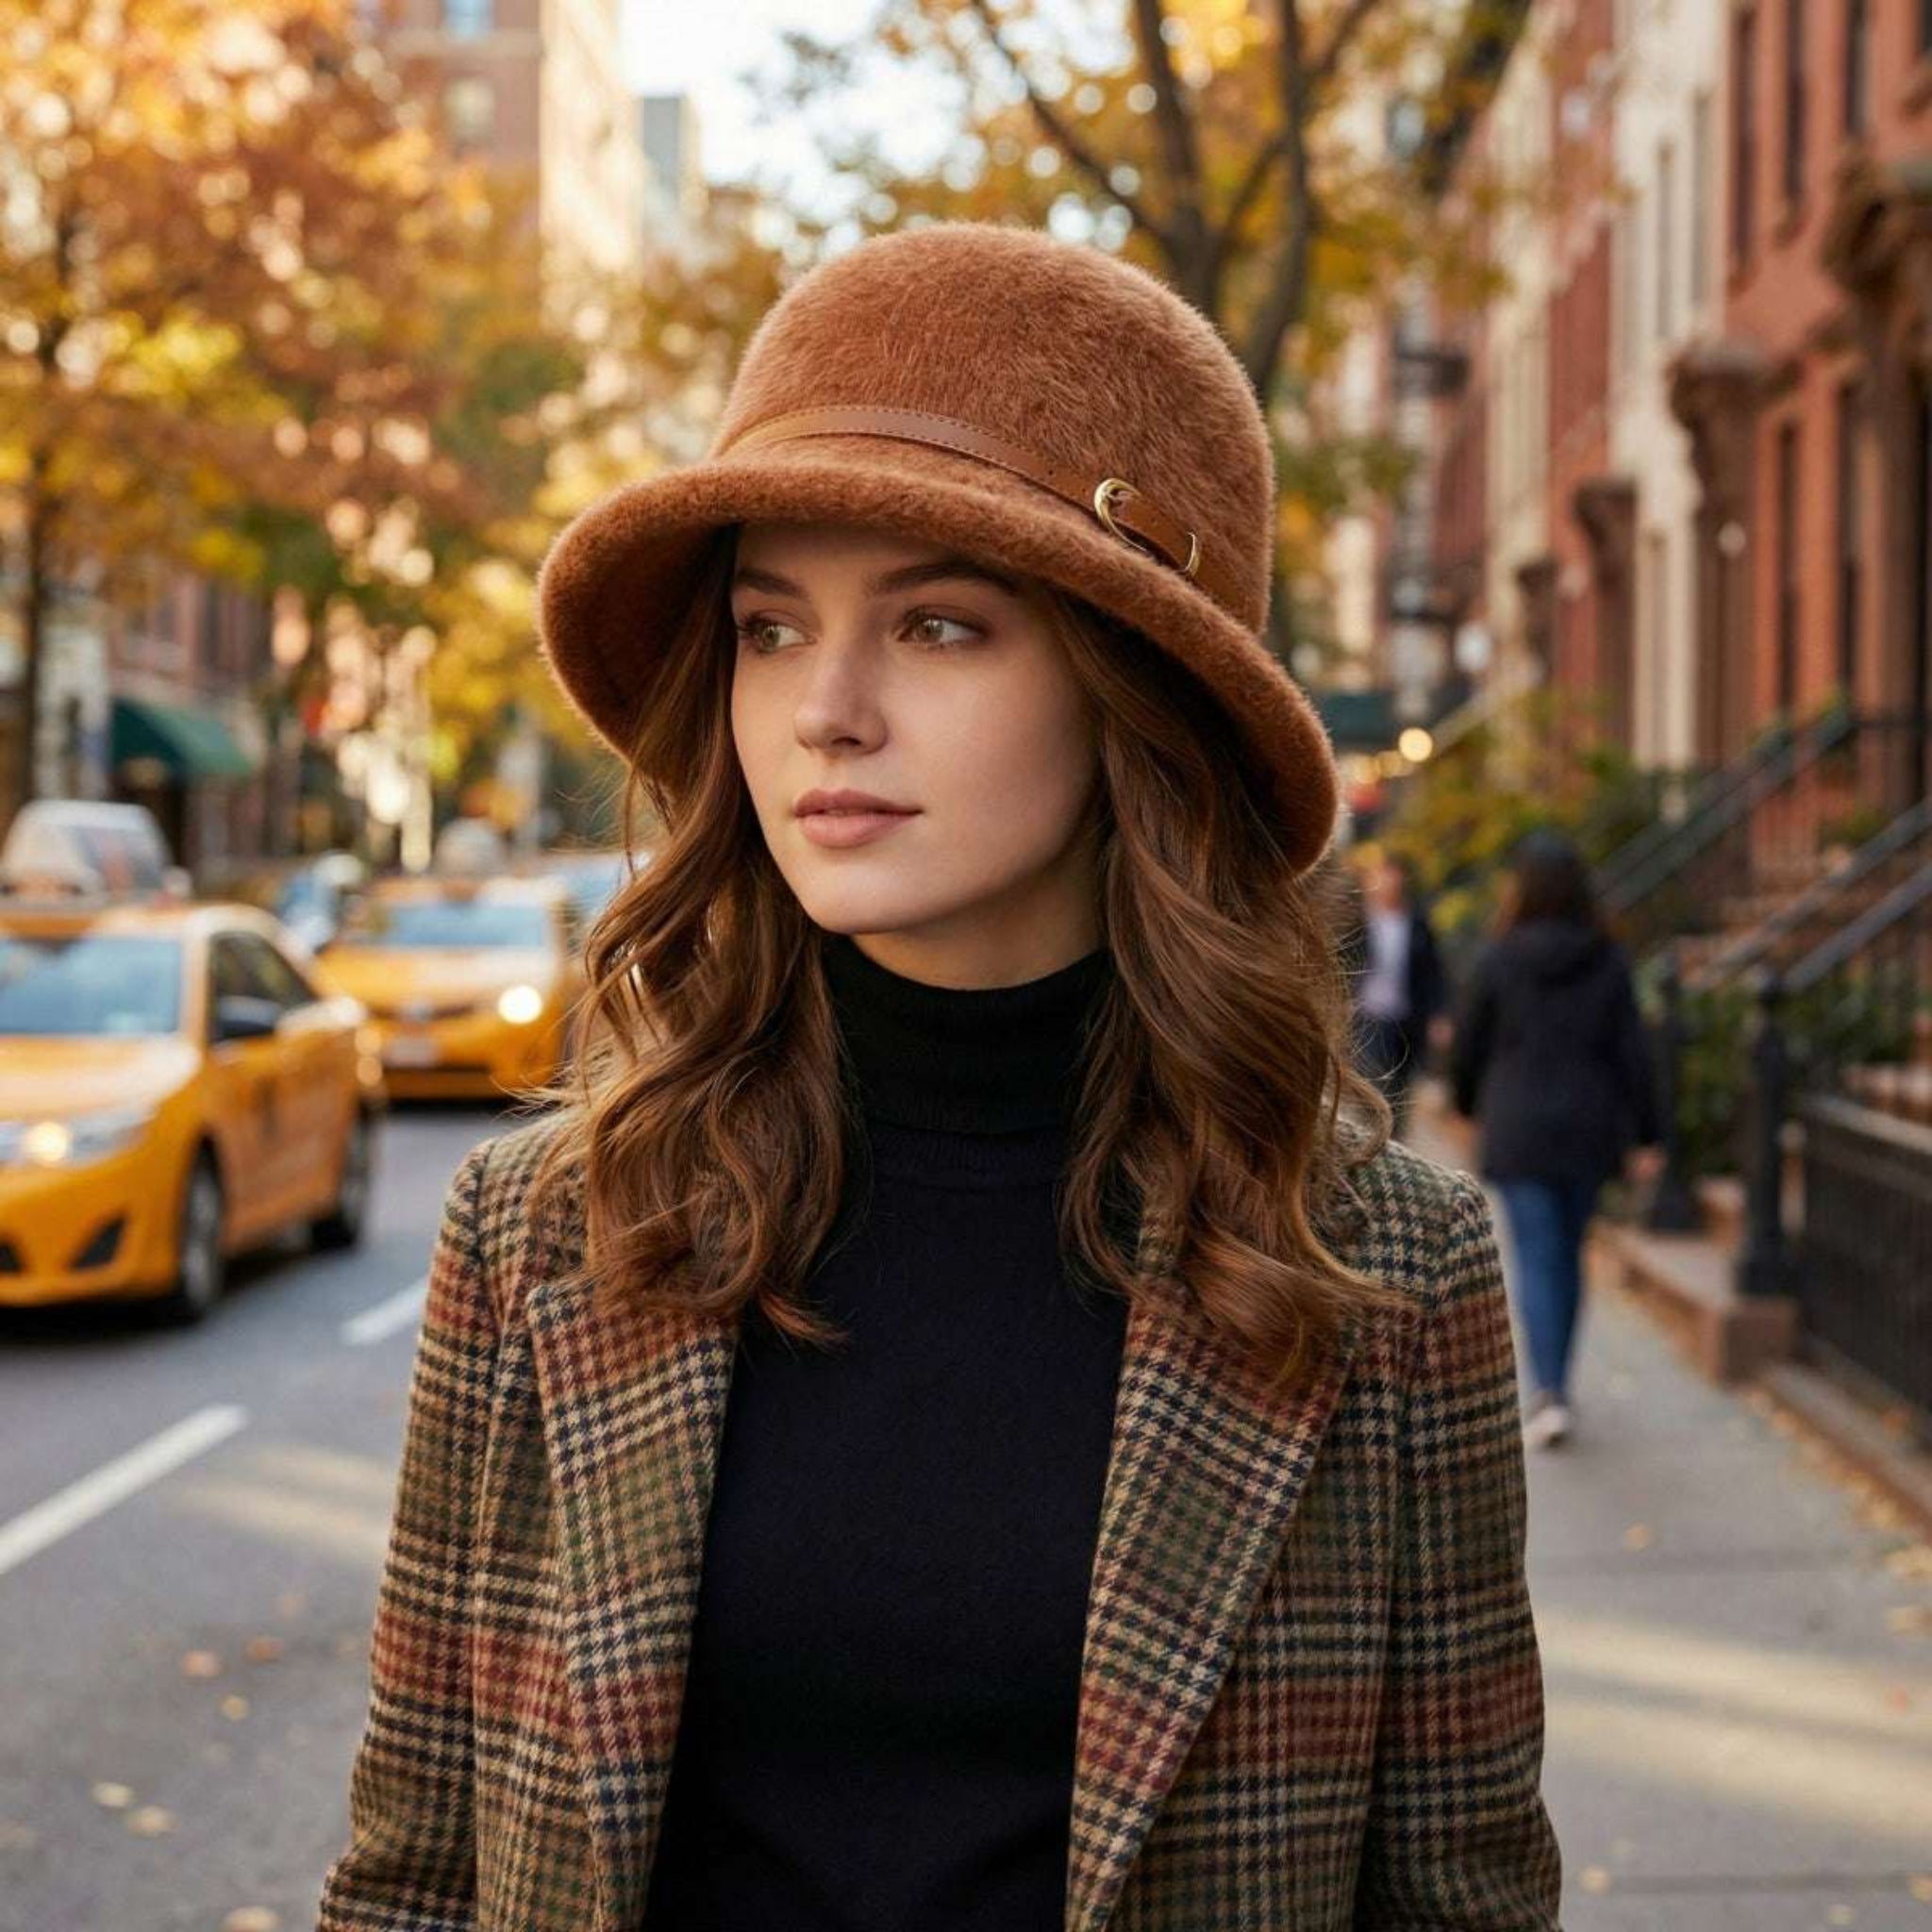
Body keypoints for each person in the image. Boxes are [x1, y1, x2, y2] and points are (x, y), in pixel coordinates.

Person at [317, 224, 1561, 1932]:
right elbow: (410, 1878)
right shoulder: (540, 1228)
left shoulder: (1384, 1277)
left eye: (940, 627)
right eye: (768, 626)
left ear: (1132, 690)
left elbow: (1460, 1902)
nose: (823, 710)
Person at [1448, 826, 1665, 1450]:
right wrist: (1647, 1133)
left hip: (1519, 1128)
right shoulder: (1608, 959)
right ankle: (1555, 1380)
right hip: (1588, 1129)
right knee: (1565, 1255)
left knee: (1539, 1255)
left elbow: (1468, 1047)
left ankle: (1548, 1390)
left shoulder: (1498, 958)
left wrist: (1467, 1105)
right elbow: (1634, 1054)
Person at [1341, 847, 1447, 1140]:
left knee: (1399, 1091)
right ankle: (1367, 1142)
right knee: (1369, 1086)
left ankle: (1392, 1144)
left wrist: (1439, 1015)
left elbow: (1432, 973)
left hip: (1404, 1018)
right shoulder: (1356, 920)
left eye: (1392, 874)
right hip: (1366, 1017)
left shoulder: (1416, 924)